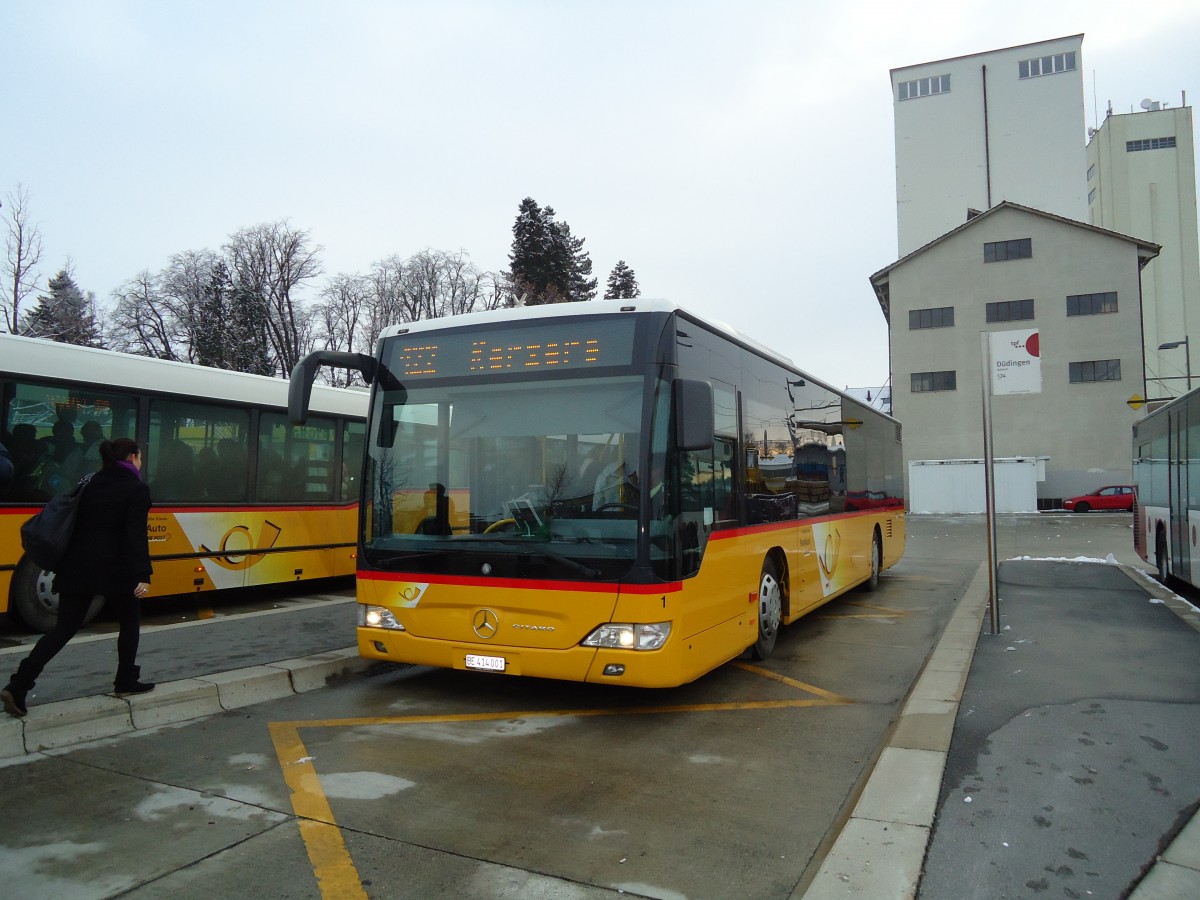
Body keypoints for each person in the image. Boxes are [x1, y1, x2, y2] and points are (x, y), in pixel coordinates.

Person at [1, 438, 155, 718]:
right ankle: (125, 681)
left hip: (76, 567)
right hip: (116, 569)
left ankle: (19, 684)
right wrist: (142, 573)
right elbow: (135, 534)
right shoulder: (136, 489)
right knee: (130, 622)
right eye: (141, 457)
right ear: (132, 458)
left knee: (63, 628)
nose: (141, 462)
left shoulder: (90, 481)